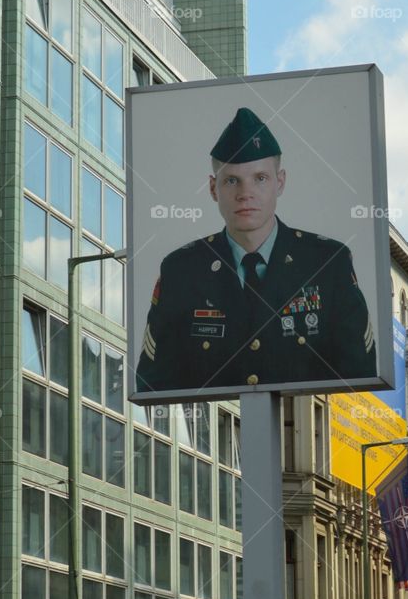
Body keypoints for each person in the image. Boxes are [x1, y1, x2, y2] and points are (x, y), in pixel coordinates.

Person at [136, 107, 377, 393]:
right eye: (231, 180)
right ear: (213, 189)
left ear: (281, 182)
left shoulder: (327, 263)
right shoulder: (181, 270)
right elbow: (154, 384)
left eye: (259, 178)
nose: (244, 193)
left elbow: (358, 378)